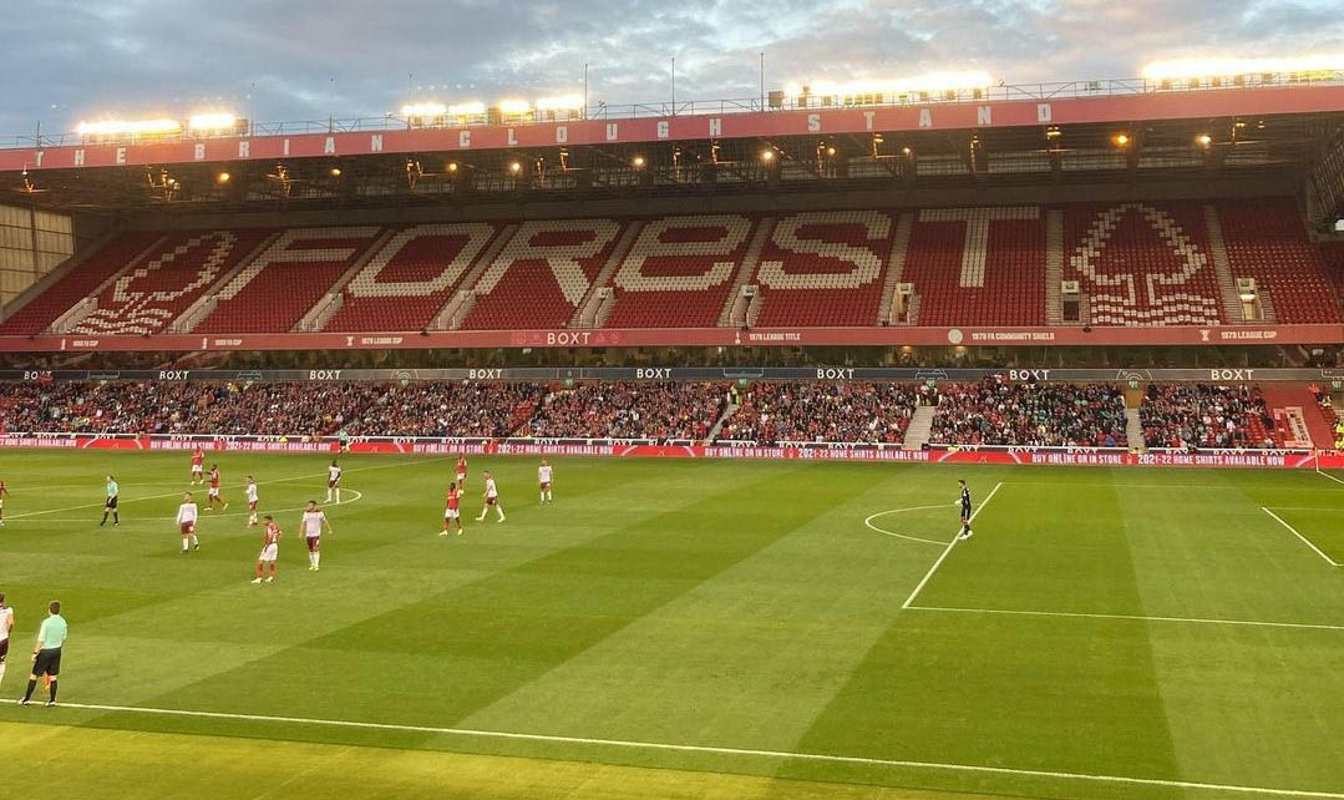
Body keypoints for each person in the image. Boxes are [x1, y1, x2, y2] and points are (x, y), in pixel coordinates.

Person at [20, 600, 67, 707]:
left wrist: (35, 652)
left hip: (46, 651)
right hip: (57, 650)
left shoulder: (46, 622)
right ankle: (52, 700)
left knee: (34, 675)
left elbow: (41, 639)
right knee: (53, 676)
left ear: (49, 610)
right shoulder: (63, 622)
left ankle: (26, 699)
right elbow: (63, 638)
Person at [300, 501, 332, 572]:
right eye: (308, 505)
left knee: (315, 549)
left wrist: (329, 529)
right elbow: (303, 523)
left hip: (316, 534)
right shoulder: (306, 513)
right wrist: (301, 532)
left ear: (314, 506)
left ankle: (316, 565)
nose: (308, 506)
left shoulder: (320, 513)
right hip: (308, 534)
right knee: (310, 550)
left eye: (310, 505)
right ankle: (312, 564)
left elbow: (325, 521)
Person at [252, 516, 281, 584]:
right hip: (275, 546)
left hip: (270, 545)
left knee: (260, 562)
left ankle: (259, 578)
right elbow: (280, 533)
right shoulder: (275, 526)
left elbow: (270, 537)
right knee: (272, 562)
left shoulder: (269, 527)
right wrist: (277, 541)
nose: (263, 522)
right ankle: (271, 577)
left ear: (269, 520)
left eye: (265, 520)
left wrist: (266, 546)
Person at [0, 592, 13, 687]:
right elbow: (11, 623)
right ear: (3, 600)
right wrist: (8, 632)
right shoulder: (8, 610)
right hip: (3, 639)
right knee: (2, 661)